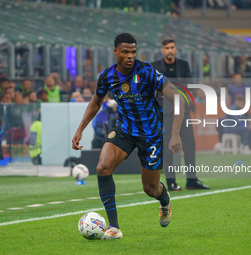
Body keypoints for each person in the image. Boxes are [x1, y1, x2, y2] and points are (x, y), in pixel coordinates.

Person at [72, 33, 184, 239]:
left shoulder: (147, 71)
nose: (130, 56)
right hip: (124, 130)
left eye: (133, 51)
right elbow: (96, 102)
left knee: (150, 189)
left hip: (151, 135)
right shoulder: (107, 76)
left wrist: (175, 133)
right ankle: (114, 227)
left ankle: (164, 199)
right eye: (125, 52)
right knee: (102, 167)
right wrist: (80, 128)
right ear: (115, 51)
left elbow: (178, 97)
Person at [151, 38, 209, 191]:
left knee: (190, 144)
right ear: (162, 50)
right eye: (167, 48)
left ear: (175, 49)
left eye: (172, 47)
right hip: (166, 112)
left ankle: (192, 180)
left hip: (183, 111)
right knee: (168, 146)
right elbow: (152, 88)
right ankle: (170, 181)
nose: (170, 50)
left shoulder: (183, 65)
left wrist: (168, 91)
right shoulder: (155, 66)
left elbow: (189, 85)